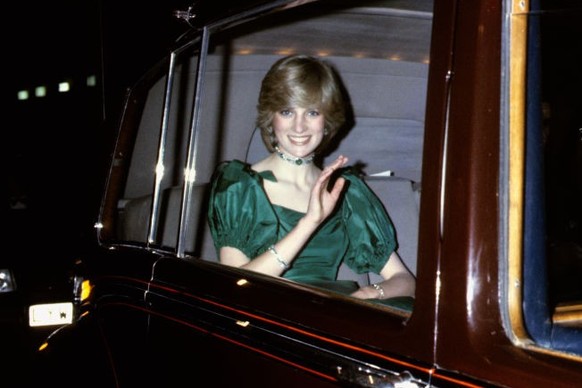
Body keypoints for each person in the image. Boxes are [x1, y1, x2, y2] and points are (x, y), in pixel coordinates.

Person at [207, 54, 415, 302]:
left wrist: (365, 295)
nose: (299, 127)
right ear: (270, 118)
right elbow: (237, 287)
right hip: (269, 311)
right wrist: (310, 222)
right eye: (287, 112)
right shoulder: (238, 187)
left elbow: (405, 281)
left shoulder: (345, 191)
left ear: (326, 121)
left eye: (312, 113)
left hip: (335, 310)